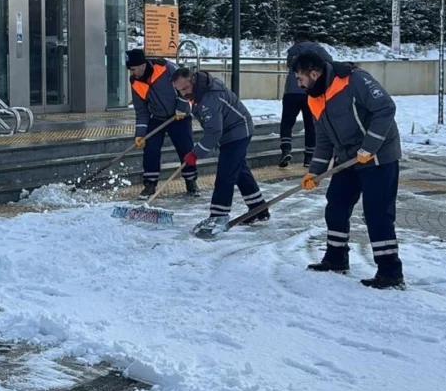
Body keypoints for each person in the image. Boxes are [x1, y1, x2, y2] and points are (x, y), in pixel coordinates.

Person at [293, 51, 405, 290]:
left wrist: (370, 146)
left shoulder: (354, 80)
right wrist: (315, 171)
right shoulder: (314, 97)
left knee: (377, 213)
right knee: (336, 204)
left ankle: (390, 272)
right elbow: (323, 138)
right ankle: (336, 258)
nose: (298, 83)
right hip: (348, 158)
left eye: (300, 78)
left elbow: (385, 108)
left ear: (314, 73)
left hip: (378, 156)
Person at [171, 68, 268, 236]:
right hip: (229, 133)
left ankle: (219, 215)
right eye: (180, 91)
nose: (184, 93)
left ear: (193, 80)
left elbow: (214, 131)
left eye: (186, 89)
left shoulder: (210, 96)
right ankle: (258, 209)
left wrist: (195, 153)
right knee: (239, 171)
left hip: (238, 131)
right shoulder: (199, 90)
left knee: (226, 173)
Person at [126, 49, 198, 199]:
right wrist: (140, 134)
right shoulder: (135, 82)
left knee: (185, 149)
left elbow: (185, 86)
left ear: (141, 65)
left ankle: (191, 182)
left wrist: (182, 107)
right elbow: (142, 111)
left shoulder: (164, 67)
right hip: (157, 117)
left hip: (179, 117)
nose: (132, 73)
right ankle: (150, 185)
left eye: (133, 69)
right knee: (150, 149)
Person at [279, 30, 334, 168]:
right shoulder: (317, 49)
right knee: (310, 123)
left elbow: (290, 66)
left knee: (287, 121)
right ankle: (309, 157)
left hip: (291, 91)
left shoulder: (292, 52)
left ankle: (285, 149)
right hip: (310, 90)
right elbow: (330, 62)